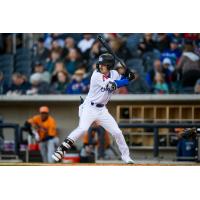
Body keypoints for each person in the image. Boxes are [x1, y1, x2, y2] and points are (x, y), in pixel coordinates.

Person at [52, 53, 135, 164]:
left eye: (104, 64)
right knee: (83, 128)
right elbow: (113, 85)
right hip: (89, 107)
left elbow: (121, 79)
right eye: (100, 64)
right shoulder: (96, 75)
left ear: (109, 66)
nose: (100, 66)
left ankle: (126, 157)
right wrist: (127, 80)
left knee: (117, 132)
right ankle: (61, 149)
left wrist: (127, 75)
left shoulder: (114, 73)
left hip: (102, 110)